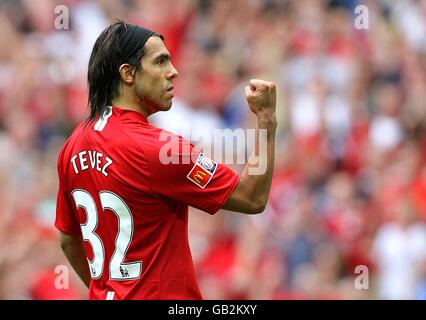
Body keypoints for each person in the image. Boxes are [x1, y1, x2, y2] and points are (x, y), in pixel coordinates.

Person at [55, 20, 277, 300]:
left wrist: (109, 291)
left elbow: (67, 238)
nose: (174, 72)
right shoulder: (160, 149)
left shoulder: (72, 146)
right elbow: (253, 197)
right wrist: (267, 120)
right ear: (128, 73)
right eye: (160, 62)